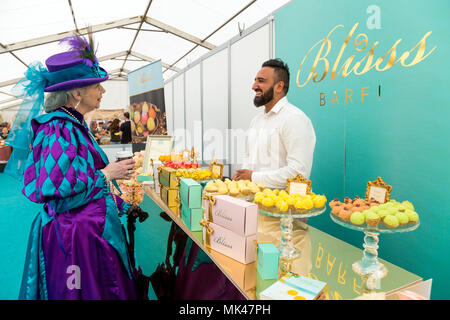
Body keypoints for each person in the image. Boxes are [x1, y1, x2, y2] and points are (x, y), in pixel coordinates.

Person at [7, 33, 150, 300]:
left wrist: (122, 204)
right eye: (97, 85)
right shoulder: (58, 129)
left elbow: (81, 181)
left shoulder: (72, 124)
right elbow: (58, 192)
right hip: (73, 240)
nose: (103, 91)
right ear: (77, 92)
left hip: (85, 233)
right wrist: (108, 174)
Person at [233, 58, 316, 188]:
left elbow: (298, 173)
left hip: (282, 206)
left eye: (261, 81)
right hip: (252, 202)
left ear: (279, 86)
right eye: (255, 80)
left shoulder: (295, 119)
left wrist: (252, 176)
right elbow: (249, 157)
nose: (254, 86)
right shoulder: (256, 121)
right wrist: (242, 177)